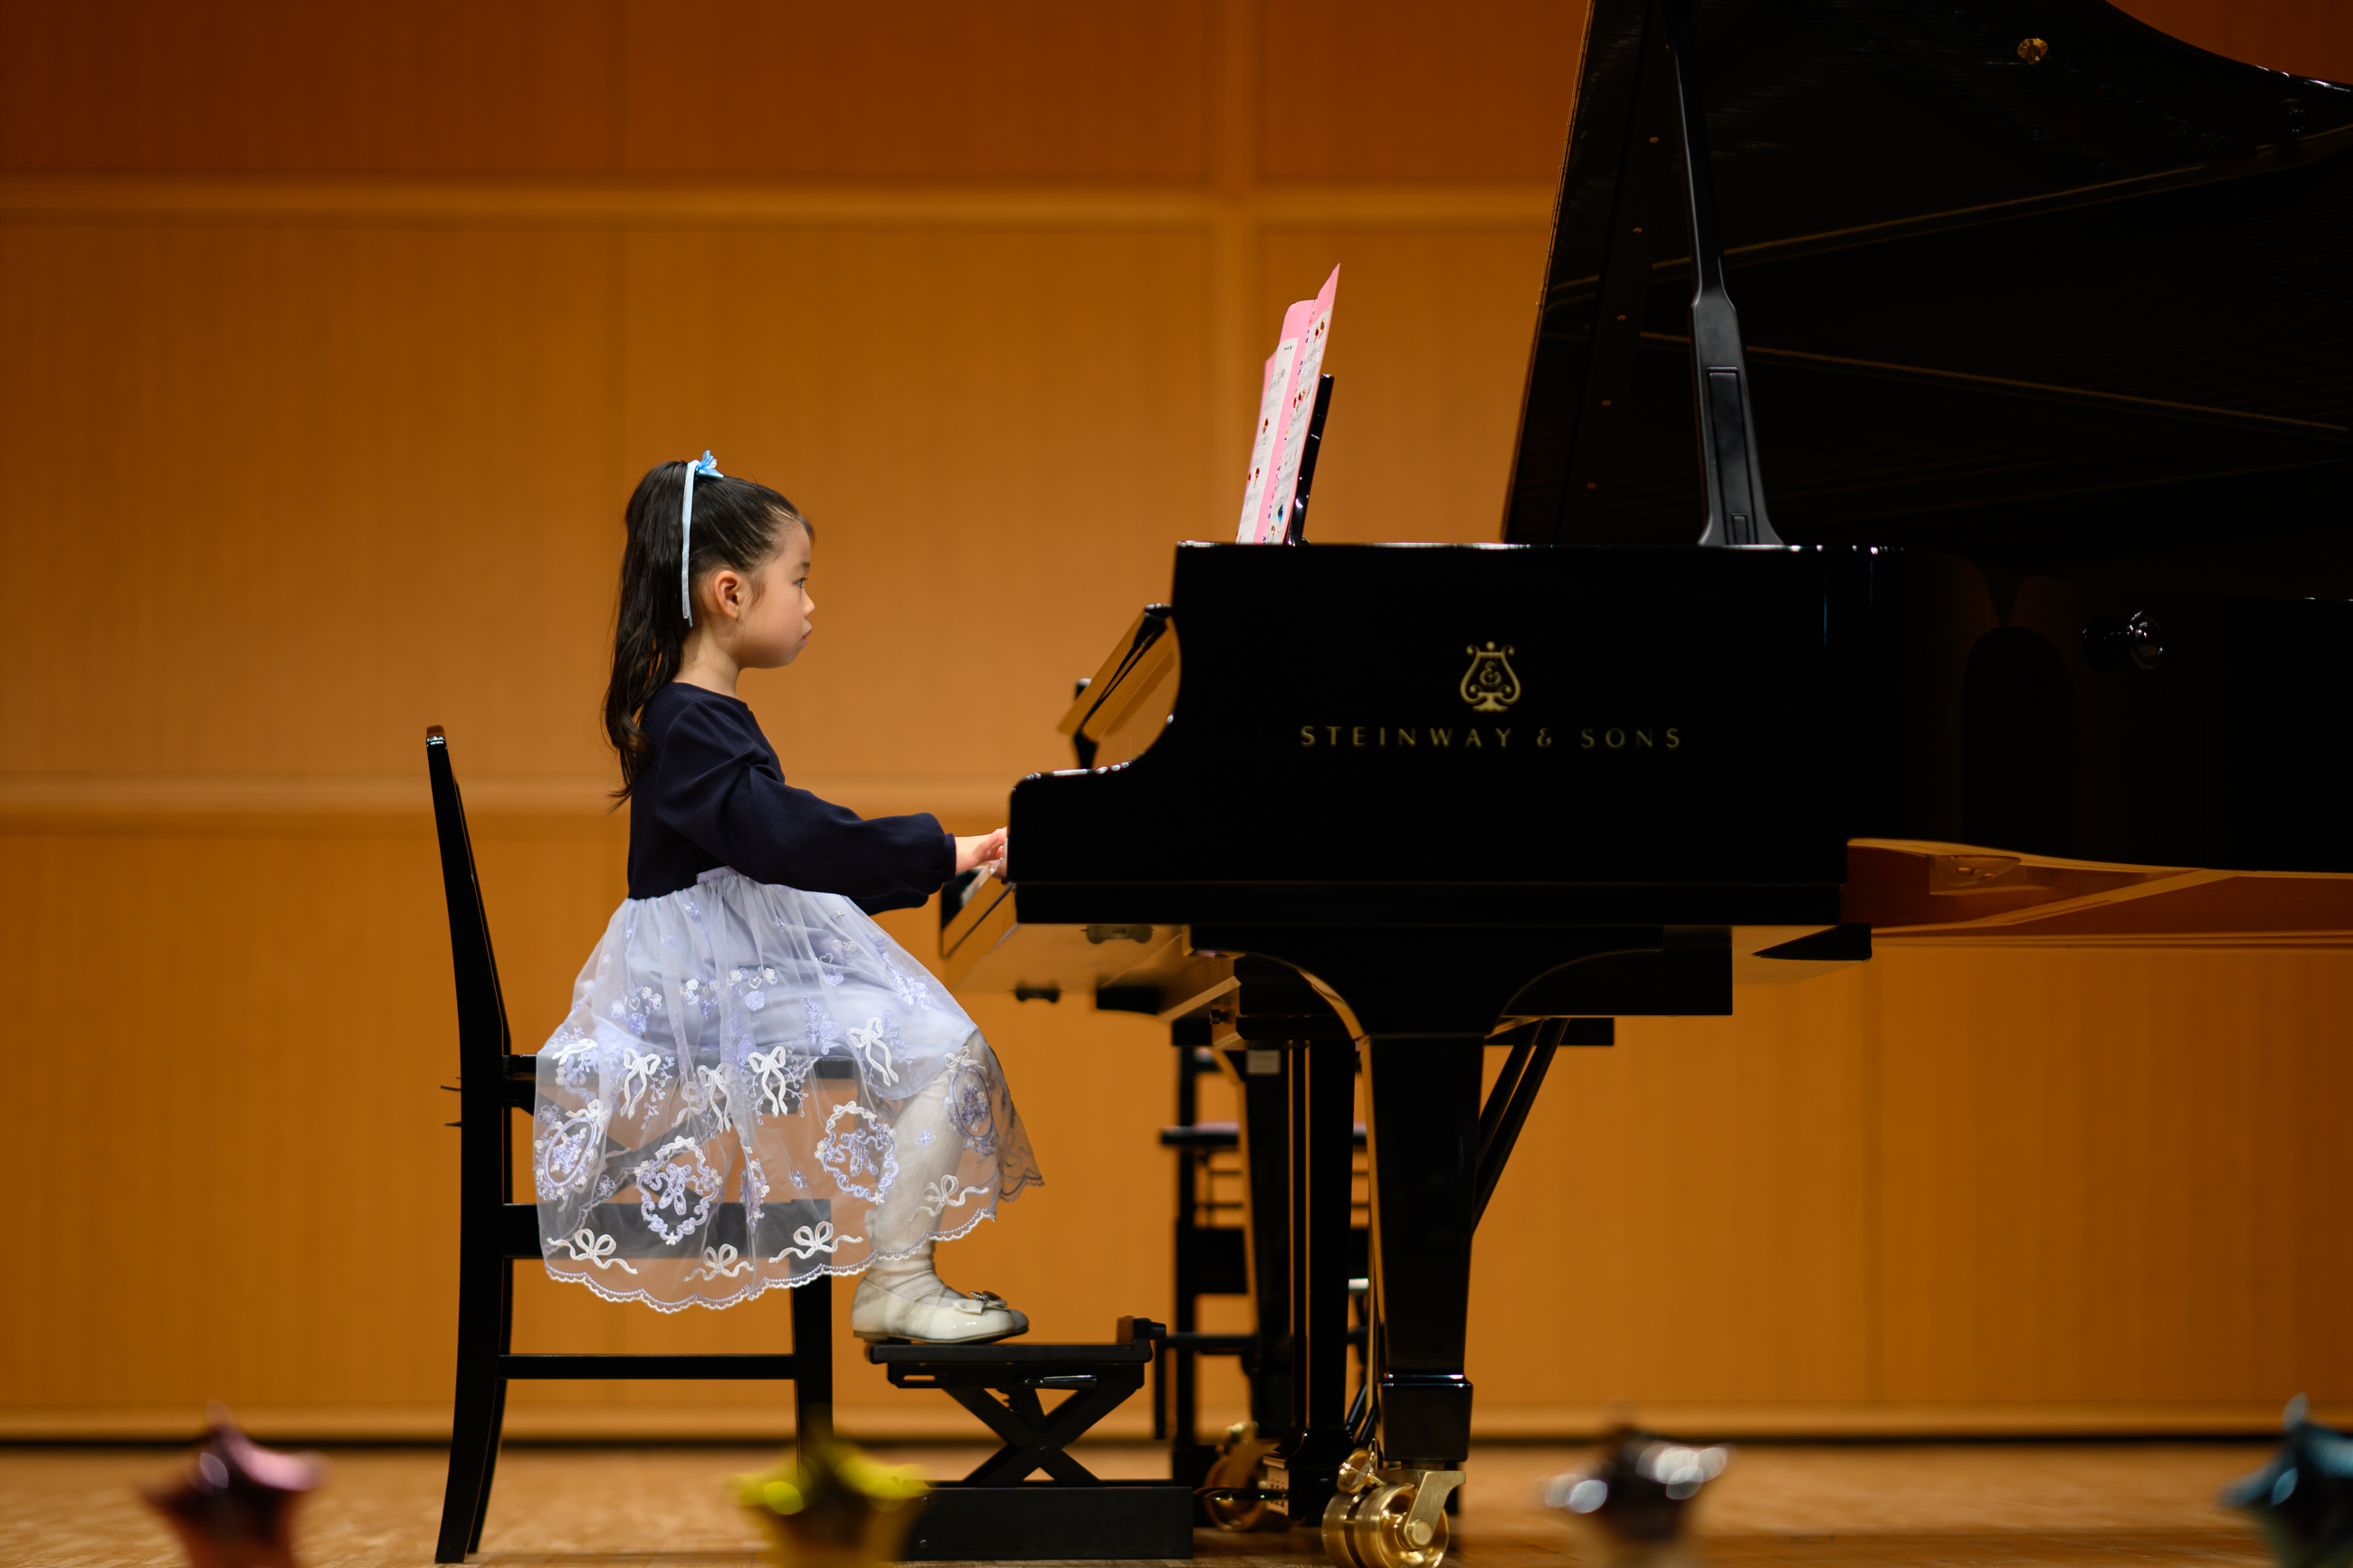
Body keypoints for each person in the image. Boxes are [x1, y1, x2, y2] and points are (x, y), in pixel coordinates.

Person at [531, 452, 1040, 1342]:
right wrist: (943, 848)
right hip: (689, 1004)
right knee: (946, 1047)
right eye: (797, 580)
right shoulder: (688, 717)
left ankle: (899, 1274)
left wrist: (929, 857)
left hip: (722, 979)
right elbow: (788, 839)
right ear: (731, 594)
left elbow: (784, 849)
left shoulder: (694, 715)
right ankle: (897, 1279)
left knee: (939, 1045)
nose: (809, 603)